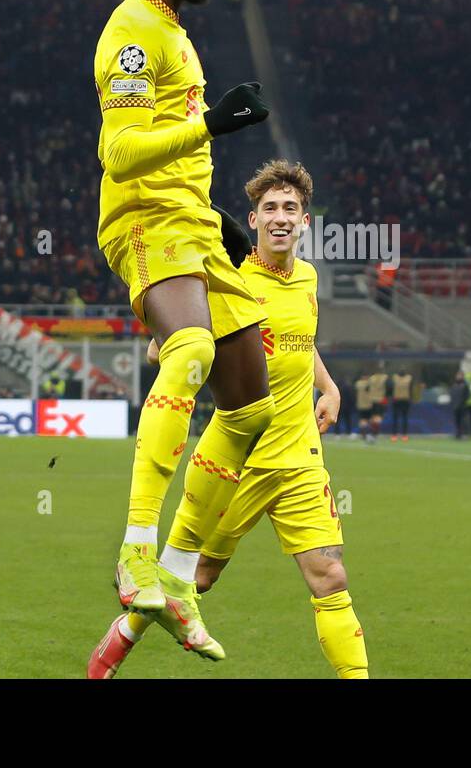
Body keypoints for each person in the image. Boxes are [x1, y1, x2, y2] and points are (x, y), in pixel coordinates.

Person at [90, 0, 277, 660]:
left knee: (250, 404)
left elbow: (172, 146)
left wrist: (219, 217)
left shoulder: (173, 29)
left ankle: (172, 574)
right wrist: (211, 122)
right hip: (144, 220)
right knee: (191, 352)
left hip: (191, 221)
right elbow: (121, 151)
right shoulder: (132, 33)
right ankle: (136, 553)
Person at [93, 160, 368, 679]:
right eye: (271, 209)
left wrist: (327, 385)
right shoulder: (228, 279)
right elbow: (162, 349)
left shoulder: (308, 279)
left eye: (291, 209)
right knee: (196, 578)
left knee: (329, 575)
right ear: (254, 219)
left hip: (299, 455)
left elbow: (298, 342)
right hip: (236, 461)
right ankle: (123, 635)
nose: (281, 218)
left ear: (306, 222)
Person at [390, 369, 413, 441]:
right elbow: (411, 389)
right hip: (405, 400)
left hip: (396, 400)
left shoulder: (394, 378)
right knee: (404, 418)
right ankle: (404, 435)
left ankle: (394, 435)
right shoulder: (409, 378)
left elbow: (390, 388)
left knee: (396, 418)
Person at [354, 372, 374, 442]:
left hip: (361, 404)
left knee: (362, 420)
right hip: (367, 404)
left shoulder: (358, 384)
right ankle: (367, 434)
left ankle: (364, 434)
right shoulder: (369, 383)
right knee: (367, 420)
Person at [451, 371, 469, 439]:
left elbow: (467, 396)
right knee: (457, 421)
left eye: (460, 375)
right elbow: (452, 395)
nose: (459, 377)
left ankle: (464, 434)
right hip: (455, 406)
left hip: (462, 406)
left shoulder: (465, 385)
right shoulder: (454, 385)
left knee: (463, 421)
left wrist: (463, 403)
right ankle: (457, 434)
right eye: (458, 375)